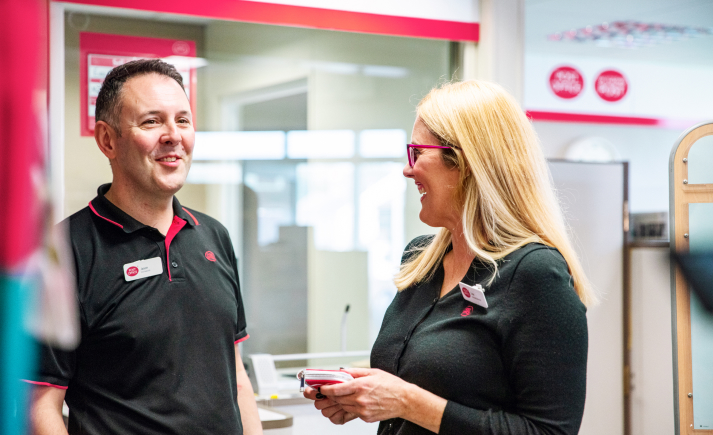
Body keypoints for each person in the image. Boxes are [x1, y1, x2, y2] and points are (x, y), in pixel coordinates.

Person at [304, 80, 594, 435]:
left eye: (416, 152)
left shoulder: (534, 273)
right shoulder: (419, 260)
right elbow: (416, 385)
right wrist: (363, 396)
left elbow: (549, 431)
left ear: (465, 161)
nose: (407, 170)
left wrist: (407, 402)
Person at [27, 59, 262, 435]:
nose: (173, 136)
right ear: (108, 140)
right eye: (152, 121)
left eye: (182, 120)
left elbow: (235, 376)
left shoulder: (214, 236)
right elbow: (40, 403)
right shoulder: (63, 253)